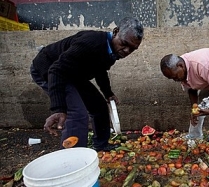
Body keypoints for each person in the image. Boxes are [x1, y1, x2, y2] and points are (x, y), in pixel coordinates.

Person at [30, 17, 144, 151]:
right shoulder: (91, 43)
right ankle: (73, 158)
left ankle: (101, 146)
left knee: (99, 106)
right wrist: (58, 108)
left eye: (132, 49)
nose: (126, 51)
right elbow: (56, 70)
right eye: (124, 43)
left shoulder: (112, 51)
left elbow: (100, 70)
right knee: (77, 113)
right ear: (115, 32)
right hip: (49, 69)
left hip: (73, 74)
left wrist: (108, 93)